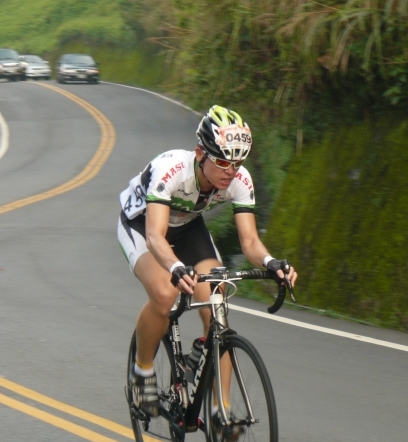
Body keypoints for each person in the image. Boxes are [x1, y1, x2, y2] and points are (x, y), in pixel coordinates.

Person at [118, 105, 297, 416]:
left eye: (238, 162)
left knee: (217, 298)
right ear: (201, 153)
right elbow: (156, 237)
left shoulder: (240, 179)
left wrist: (271, 262)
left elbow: (249, 242)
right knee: (165, 294)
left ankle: (220, 410)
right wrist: (175, 267)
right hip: (143, 225)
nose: (231, 171)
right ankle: (142, 370)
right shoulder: (172, 170)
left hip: (188, 227)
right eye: (223, 161)